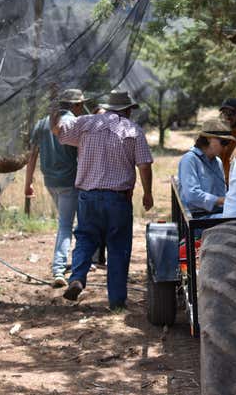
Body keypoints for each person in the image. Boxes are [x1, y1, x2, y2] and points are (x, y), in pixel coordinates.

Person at [50, 89, 154, 310]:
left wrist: (53, 109)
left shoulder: (86, 123)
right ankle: (116, 302)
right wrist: (147, 193)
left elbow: (57, 130)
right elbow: (144, 165)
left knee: (85, 239)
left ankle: (77, 277)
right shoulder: (133, 130)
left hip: (88, 197)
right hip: (118, 199)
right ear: (127, 110)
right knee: (118, 248)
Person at [24, 88, 86, 288]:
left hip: (50, 181)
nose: (82, 108)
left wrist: (28, 183)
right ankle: (59, 269)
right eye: (80, 105)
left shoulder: (41, 124)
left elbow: (32, 155)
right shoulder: (74, 124)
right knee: (67, 225)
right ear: (75, 105)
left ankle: (79, 261)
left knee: (67, 223)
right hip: (70, 181)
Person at [177, 119, 235, 217]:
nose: (226, 147)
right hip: (199, 218)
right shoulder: (190, 159)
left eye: (228, 143)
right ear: (208, 139)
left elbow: (222, 192)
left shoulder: (218, 162)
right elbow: (192, 195)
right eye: (224, 142)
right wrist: (221, 200)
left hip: (217, 214)